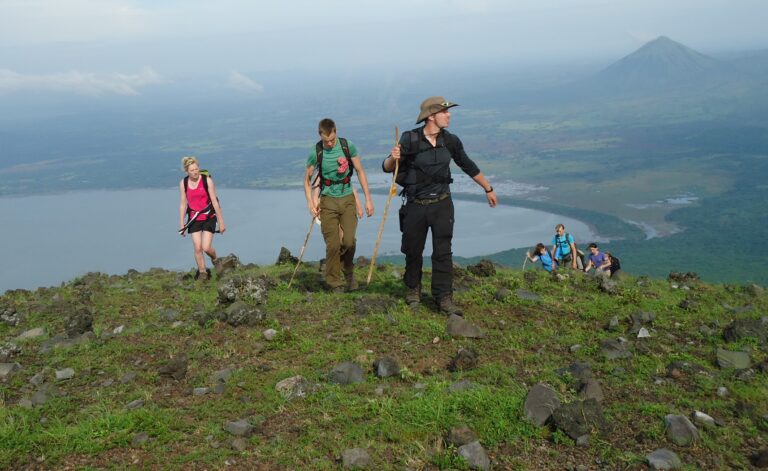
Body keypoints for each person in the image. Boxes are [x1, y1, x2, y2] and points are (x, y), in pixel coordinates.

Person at [383, 96, 497, 315]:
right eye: (445, 112)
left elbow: (467, 164)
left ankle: (443, 298)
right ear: (431, 116)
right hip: (416, 204)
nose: (449, 115)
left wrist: (488, 189)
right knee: (413, 250)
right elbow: (388, 167)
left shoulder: (451, 140)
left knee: (443, 252)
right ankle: (413, 290)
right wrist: (393, 157)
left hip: (443, 204)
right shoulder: (410, 139)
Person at [304, 118, 374, 293]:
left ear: (336, 131)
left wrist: (368, 199)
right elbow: (307, 180)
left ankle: (347, 269)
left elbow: (360, 171)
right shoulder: (316, 152)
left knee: (349, 242)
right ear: (320, 135)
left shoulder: (347, 146)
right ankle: (334, 282)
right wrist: (311, 203)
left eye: (331, 140)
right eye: (325, 141)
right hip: (327, 200)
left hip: (347, 197)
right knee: (333, 244)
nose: (329, 144)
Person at [178, 156, 226, 280]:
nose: (195, 172)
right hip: (194, 218)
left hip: (209, 216)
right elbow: (183, 204)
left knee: (206, 247)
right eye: (192, 170)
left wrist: (221, 222)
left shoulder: (207, 181)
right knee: (197, 247)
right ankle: (203, 273)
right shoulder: (183, 183)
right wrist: (181, 224)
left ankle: (215, 260)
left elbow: (215, 202)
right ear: (186, 171)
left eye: (196, 168)